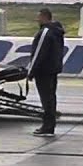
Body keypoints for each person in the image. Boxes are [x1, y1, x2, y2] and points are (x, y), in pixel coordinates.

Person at [27, 8, 65, 137]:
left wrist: (31, 71)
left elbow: (38, 53)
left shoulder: (46, 32)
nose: (37, 20)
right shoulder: (57, 31)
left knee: (46, 99)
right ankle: (49, 125)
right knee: (51, 98)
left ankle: (47, 126)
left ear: (44, 17)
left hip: (43, 71)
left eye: (39, 17)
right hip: (53, 69)